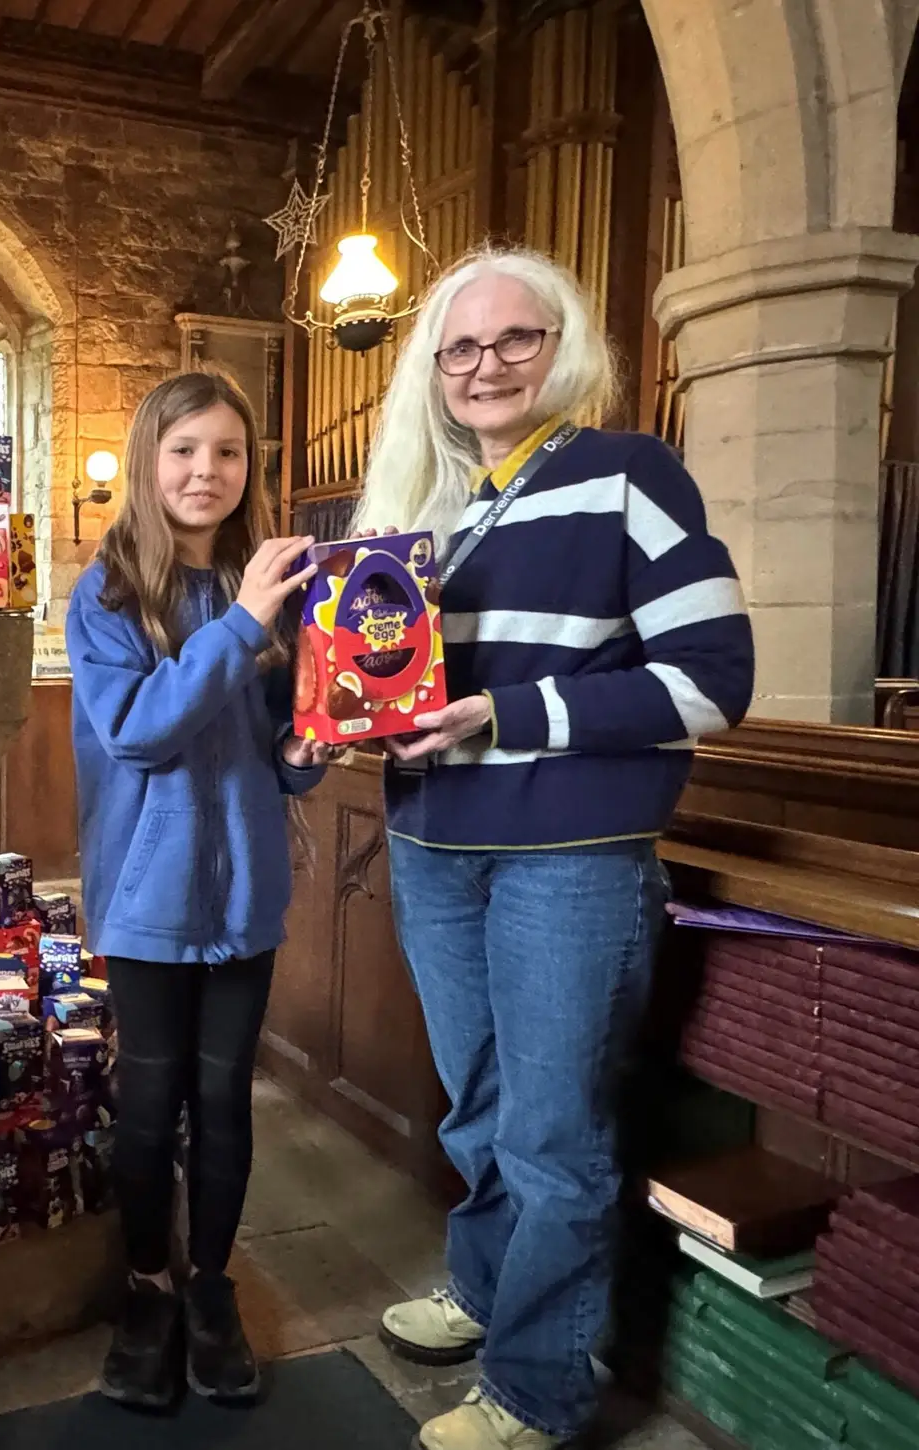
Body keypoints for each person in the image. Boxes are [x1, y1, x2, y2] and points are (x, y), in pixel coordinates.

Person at [352, 249, 754, 1450]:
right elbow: (401, 686)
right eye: (461, 349)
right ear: (434, 370)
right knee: (477, 1110)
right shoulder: (434, 511)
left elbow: (713, 683)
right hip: (435, 843)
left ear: (561, 346)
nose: (486, 366)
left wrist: (505, 716)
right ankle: (482, 1291)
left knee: (553, 1134)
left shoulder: (630, 475)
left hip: (567, 857)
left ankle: (536, 1388)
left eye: (514, 340)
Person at [67, 371, 334, 1411]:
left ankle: (211, 1287)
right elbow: (136, 730)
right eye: (184, 450)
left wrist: (311, 740)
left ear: (248, 468)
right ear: (148, 461)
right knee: (148, 1105)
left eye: (228, 452)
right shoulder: (110, 593)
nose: (205, 471)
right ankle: (146, 1290)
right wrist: (241, 626)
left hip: (246, 897)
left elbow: (283, 747)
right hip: (146, 896)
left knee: (224, 1103)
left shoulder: (271, 586)